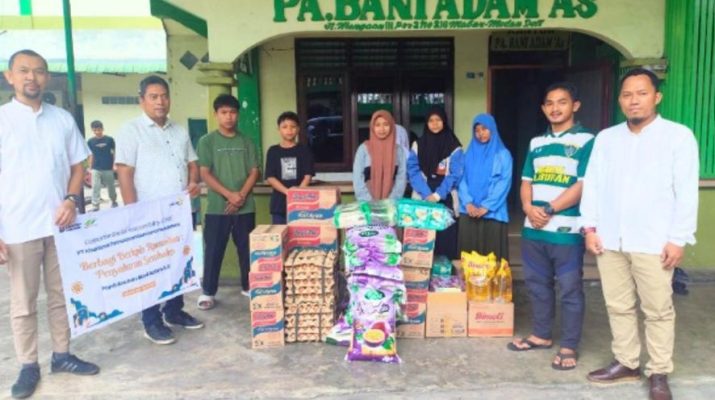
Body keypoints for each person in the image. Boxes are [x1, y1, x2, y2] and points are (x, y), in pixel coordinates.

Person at [580, 68, 699, 400]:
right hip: (610, 238)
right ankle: (627, 361)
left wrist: (678, 238)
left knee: (658, 309)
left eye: (642, 93)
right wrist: (590, 228)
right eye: (627, 94)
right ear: (620, 100)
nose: (634, 100)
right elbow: (593, 185)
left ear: (656, 97)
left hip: (654, 239)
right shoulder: (607, 139)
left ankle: (658, 371)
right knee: (618, 305)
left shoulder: (678, 137)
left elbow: (686, 192)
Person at [0, 49, 99, 399]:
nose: (32, 77)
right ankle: (28, 365)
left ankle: (62, 354)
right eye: (24, 70)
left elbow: (78, 166)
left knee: (61, 296)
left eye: (39, 71)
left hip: (60, 225)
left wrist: (71, 199)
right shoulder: (3, 120)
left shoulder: (62, 119)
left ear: (47, 77)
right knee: (24, 303)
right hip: (18, 227)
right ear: (9, 76)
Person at [507, 82, 594, 372]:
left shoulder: (587, 141)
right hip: (533, 230)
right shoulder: (536, 143)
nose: (555, 108)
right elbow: (526, 181)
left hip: (566, 232)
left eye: (562, 102)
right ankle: (541, 335)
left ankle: (569, 345)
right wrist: (527, 208)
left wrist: (549, 209)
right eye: (550, 103)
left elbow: (582, 184)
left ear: (575, 105)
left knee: (570, 289)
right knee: (536, 286)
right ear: (543, 108)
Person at [115, 75, 204, 345]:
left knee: (178, 262)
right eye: (153, 97)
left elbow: (192, 163)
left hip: (178, 212)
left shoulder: (179, 131)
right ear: (142, 100)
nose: (160, 102)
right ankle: (151, 320)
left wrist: (193, 182)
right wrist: (133, 212)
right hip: (148, 214)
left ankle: (174, 311)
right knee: (151, 267)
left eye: (164, 96)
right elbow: (124, 172)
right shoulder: (131, 130)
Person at [196, 94, 260, 310]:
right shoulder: (207, 141)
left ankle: (249, 286)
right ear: (216, 114)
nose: (229, 116)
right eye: (224, 112)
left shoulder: (247, 141)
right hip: (217, 207)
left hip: (245, 206)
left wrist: (239, 196)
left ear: (238, 114)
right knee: (213, 250)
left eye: (232, 112)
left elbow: (254, 171)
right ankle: (208, 292)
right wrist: (229, 195)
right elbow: (205, 173)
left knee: (247, 249)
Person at [407, 106, 463, 260]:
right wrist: (427, 194)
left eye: (438, 120)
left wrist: (438, 195)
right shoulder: (418, 145)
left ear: (444, 121)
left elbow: (455, 174)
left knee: (446, 241)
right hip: (423, 197)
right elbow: (412, 170)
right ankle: (423, 273)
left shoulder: (454, 146)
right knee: (423, 241)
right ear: (426, 123)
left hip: (446, 197)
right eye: (431, 120)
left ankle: (445, 273)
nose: (435, 124)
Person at [457, 113, 512, 260]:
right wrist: (468, 203)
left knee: (491, 259)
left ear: (492, 129)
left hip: (493, 213)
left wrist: (487, 206)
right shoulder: (468, 155)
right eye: (477, 130)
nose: (481, 133)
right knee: (469, 259)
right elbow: (461, 180)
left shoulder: (503, 155)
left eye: (484, 129)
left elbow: (504, 182)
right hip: (468, 211)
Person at [264, 111, 314, 224]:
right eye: (285, 127)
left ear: (298, 129)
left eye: (293, 127)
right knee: (280, 234)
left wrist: (297, 195)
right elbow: (270, 177)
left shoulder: (304, 150)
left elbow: (308, 176)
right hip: (279, 206)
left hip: (301, 204)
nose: (289, 130)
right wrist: (287, 192)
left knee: (300, 234)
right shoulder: (273, 151)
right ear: (279, 129)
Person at [353, 110, 407, 201]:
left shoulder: (399, 151)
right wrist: (369, 202)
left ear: (391, 126)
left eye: (386, 124)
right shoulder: (363, 149)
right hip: (367, 204)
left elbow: (401, 177)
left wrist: (391, 201)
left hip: (392, 204)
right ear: (372, 127)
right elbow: (357, 177)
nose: (382, 129)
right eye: (377, 125)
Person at [87, 120, 118, 211]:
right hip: (96, 168)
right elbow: (91, 155)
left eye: (99, 130)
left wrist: (114, 164)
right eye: (95, 130)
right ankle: (95, 206)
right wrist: (89, 167)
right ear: (92, 130)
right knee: (95, 187)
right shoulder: (90, 141)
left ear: (102, 129)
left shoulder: (109, 140)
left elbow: (114, 152)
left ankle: (114, 201)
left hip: (108, 167)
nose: (97, 132)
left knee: (111, 187)